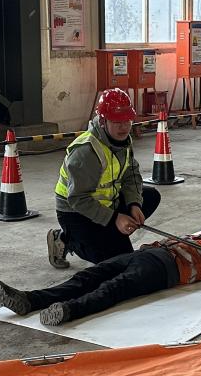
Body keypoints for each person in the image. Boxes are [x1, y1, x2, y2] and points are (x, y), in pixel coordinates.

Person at [0, 220, 201, 325]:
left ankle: (69, 310)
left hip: (164, 268)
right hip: (144, 254)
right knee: (88, 276)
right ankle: (29, 299)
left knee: (114, 288)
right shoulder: (199, 236)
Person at [47, 88, 161, 268]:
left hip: (106, 204)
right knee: (119, 264)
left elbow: (131, 175)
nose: (124, 127)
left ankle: (110, 233)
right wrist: (115, 218)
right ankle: (66, 239)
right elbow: (78, 199)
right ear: (102, 121)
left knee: (151, 196)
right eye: (117, 122)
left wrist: (134, 204)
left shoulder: (123, 141)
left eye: (127, 121)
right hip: (75, 212)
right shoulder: (86, 152)